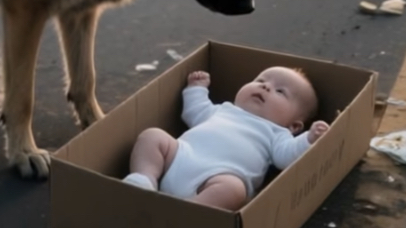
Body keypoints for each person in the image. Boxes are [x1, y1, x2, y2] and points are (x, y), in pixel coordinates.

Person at [123, 67, 330, 211]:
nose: (266, 87)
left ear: (294, 126)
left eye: (280, 91)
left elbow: (288, 157)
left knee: (234, 189)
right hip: (178, 157)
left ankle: (190, 211)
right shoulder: (223, 110)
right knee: (153, 136)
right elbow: (194, 112)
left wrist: (309, 139)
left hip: (215, 180)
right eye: (261, 81)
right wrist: (197, 88)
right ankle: (144, 179)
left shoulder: (278, 134)